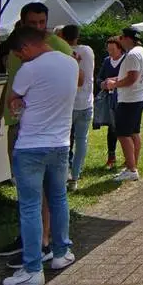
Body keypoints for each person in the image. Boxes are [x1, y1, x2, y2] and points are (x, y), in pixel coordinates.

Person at [0, 2, 77, 260]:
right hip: (38, 132)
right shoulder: (25, 54)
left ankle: (38, 249)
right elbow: (9, 87)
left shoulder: (55, 50)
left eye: (42, 22)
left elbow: (77, 81)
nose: (39, 28)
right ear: (23, 22)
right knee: (42, 193)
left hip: (37, 135)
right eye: (33, 23)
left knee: (36, 198)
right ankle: (49, 245)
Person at [103, 27, 143, 182]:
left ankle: (131, 169)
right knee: (134, 132)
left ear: (127, 38)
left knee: (123, 134)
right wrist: (115, 80)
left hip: (130, 98)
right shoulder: (142, 52)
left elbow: (131, 78)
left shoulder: (132, 55)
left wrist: (113, 85)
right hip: (139, 96)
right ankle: (132, 165)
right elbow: (131, 75)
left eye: (122, 37)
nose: (120, 40)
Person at [60, 25, 94, 190]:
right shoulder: (88, 51)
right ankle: (75, 175)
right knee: (81, 140)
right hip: (86, 102)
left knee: (65, 140)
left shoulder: (61, 53)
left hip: (68, 104)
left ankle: (64, 172)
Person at [96, 39, 124, 168]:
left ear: (120, 48)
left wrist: (115, 82)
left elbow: (128, 78)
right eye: (109, 49)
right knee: (112, 128)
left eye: (113, 49)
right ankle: (111, 157)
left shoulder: (126, 60)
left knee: (124, 128)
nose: (110, 52)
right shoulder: (107, 61)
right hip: (109, 98)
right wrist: (103, 84)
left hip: (123, 98)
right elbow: (99, 78)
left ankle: (128, 157)